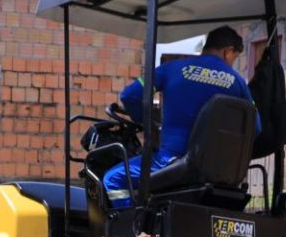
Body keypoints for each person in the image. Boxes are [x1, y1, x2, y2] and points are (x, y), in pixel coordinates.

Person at [102, 25, 260, 209]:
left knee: (113, 179)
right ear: (228, 51)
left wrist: (146, 124)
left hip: (171, 162)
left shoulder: (172, 69)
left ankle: (132, 223)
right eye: (235, 58)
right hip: (217, 171)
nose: (232, 63)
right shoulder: (239, 83)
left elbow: (129, 95)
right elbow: (256, 128)